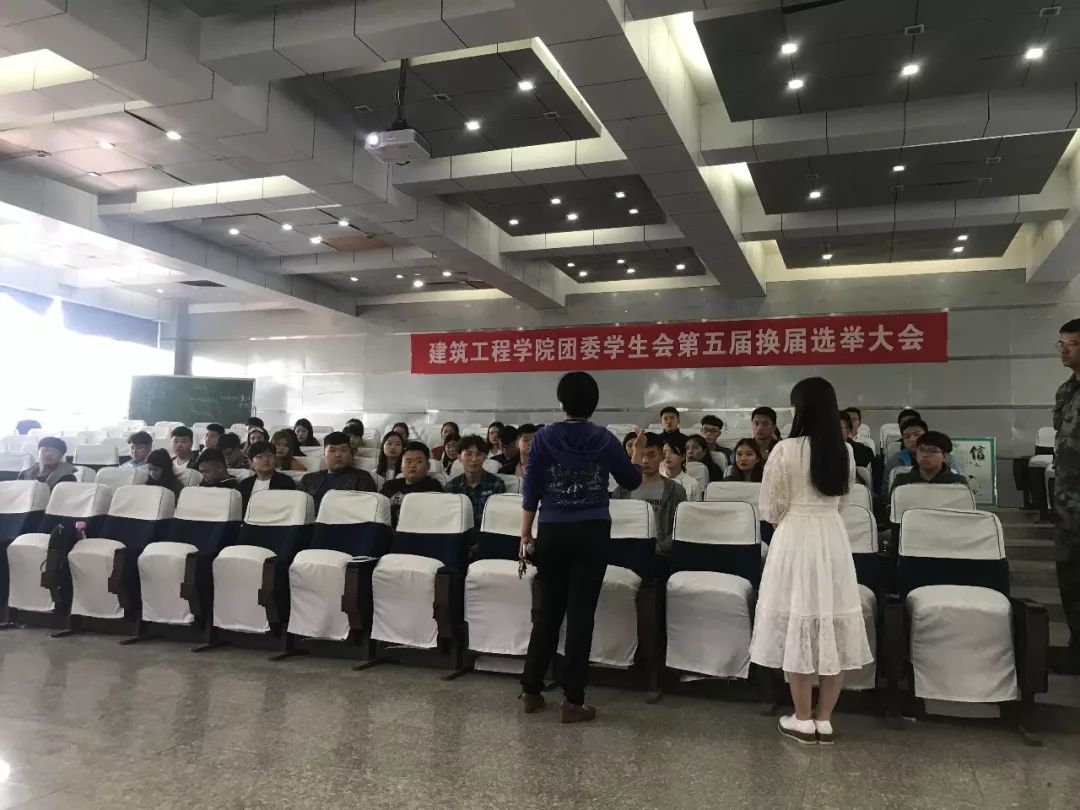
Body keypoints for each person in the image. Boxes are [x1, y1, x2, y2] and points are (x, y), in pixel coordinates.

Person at [750, 377, 871, 745]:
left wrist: (791, 518)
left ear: (800, 409)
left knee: (797, 622)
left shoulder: (785, 449)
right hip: (832, 538)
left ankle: (802, 719)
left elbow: (771, 508)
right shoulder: (844, 451)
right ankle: (824, 719)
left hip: (794, 538)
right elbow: (843, 502)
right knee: (832, 625)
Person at [520, 371, 644, 723]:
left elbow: (531, 488)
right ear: (594, 403)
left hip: (552, 531)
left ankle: (531, 690)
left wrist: (525, 533)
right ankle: (573, 700)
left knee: (548, 612)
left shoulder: (544, 437)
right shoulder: (604, 439)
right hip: (592, 533)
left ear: (561, 402)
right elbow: (632, 481)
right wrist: (635, 453)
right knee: (580, 615)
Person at [1051, 319, 1080, 672]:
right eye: (1061, 343)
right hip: (1067, 504)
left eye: (1071, 343)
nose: (1063, 350)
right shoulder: (1066, 390)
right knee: (1070, 574)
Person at [612, 432, 687, 553]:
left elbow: (681, 528)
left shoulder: (676, 491)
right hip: (628, 552)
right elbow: (615, 525)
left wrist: (661, 548)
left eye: (651, 455)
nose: (645, 461)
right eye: (641, 455)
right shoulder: (622, 490)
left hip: (662, 555)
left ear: (662, 455)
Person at [299, 431, 377, 510]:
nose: (338, 454)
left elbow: (369, 509)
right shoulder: (308, 479)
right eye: (332, 450)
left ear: (351, 453)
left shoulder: (362, 477)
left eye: (343, 450)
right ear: (324, 454)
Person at [444, 435, 505, 528]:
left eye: (479, 454)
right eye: (468, 454)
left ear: (485, 457)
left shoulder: (496, 484)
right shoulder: (451, 487)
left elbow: (498, 519)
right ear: (459, 457)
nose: (474, 459)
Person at [380, 441, 444, 527]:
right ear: (401, 466)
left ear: (428, 466)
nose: (413, 465)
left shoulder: (434, 487)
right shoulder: (389, 486)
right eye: (408, 461)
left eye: (419, 461)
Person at [891, 432, 968, 489]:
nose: (925, 455)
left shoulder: (958, 483)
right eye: (921, 450)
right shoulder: (902, 481)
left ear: (944, 456)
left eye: (933, 451)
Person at [237, 441, 296, 510]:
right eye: (259, 457)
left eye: (269, 456)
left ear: (275, 459)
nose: (266, 459)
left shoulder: (286, 482)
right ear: (251, 463)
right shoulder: (244, 485)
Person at [661, 436, 700, 501]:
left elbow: (696, 507)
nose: (667, 456)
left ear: (683, 457)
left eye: (672, 452)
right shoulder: (654, 481)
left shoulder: (692, 484)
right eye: (664, 453)